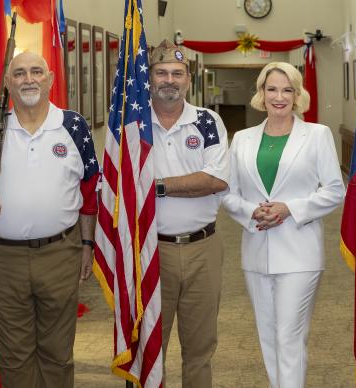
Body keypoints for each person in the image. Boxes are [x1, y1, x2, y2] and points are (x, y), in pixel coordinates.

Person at [0, 51, 99, 387]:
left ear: (50, 79)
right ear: (8, 82)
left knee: (57, 352)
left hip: (61, 254)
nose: (28, 79)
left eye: (36, 72)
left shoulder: (73, 126)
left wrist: (87, 245)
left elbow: (90, 193)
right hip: (5, 259)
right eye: (19, 73)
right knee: (14, 356)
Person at [222, 61, 344, 388]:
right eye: (272, 89)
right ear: (261, 93)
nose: (279, 97)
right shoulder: (243, 139)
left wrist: (290, 208)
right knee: (269, 335)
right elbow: (228, 193)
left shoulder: (317, 135)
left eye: (287, 89)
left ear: (297, 94)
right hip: (256, 251)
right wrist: (251, 212)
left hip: (300, 253)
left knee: (289, 334)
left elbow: (335, 190)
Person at [148, 40, 229, 387]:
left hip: (202, 248)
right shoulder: (132, 124)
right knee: (150, 348)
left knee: (200, 347)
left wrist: (156, 187)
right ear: (149, 77)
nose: (170, 79)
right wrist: (188, 183)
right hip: (150, 251)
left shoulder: (207, 122)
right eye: (162, 72)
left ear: (188, 78)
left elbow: (214, 180)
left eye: (177, 73)